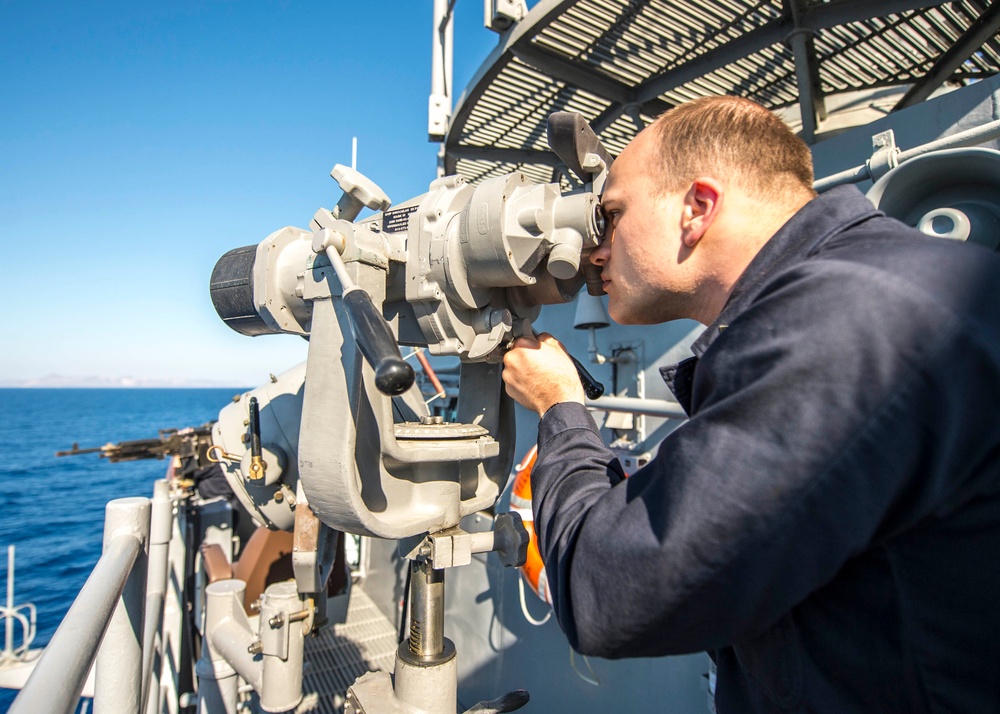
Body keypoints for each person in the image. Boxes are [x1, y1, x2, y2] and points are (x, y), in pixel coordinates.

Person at [502, 96, 1000, 712]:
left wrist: (559, 407)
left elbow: (605, 589)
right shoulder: (879, 284)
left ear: (698, 208)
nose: (596, 252)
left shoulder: (838, 323)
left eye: (614, 215)